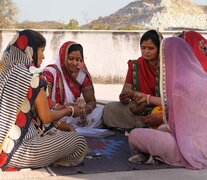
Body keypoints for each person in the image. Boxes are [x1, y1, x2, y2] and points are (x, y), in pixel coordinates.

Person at [0, 30, 87, 170]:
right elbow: (45, 117)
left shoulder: (5, 71)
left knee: (56, 133)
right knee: (79, 142)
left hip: (2, 147)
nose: (43, 56)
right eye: (42, 50)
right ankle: (48, 159)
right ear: (31, 50)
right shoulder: (32, 75)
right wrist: (69, 110)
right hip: (18, 151)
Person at [128, 36, 207, 169]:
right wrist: (148, 99)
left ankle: (155, 155)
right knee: (160, 129)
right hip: (198, 139)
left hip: (191, 147)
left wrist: (161, 120)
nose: (160, 61)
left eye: (162, 56)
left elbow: (180, 126)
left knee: (135, 135)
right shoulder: (199, 77)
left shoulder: (180, 83)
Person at [103, 30, 163, 130]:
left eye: (151, 48)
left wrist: (147, 102)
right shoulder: (135, 65)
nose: (146, 52)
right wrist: (125, 96)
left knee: (159, 113)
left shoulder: (166, 67)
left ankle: (142, 124)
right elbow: (126, 89)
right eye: (143, 48)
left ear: (160, 49)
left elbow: (169, 100)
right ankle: (143, 124)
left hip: (158, 107)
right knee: (110, 109)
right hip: (137, 108)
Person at [43, 41, 103, 129]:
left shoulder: (81, 75)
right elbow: (44, 99)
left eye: (78, 60)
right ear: (63, 57)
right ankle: (65, 127)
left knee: (100, 112)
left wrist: (84, 111)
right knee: (47, 116)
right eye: (71, 58)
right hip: (56, 112)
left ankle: (69, 127)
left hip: (75, 114)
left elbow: (92, 101)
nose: (75, 63)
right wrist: (65, 108)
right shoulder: (51, 72)